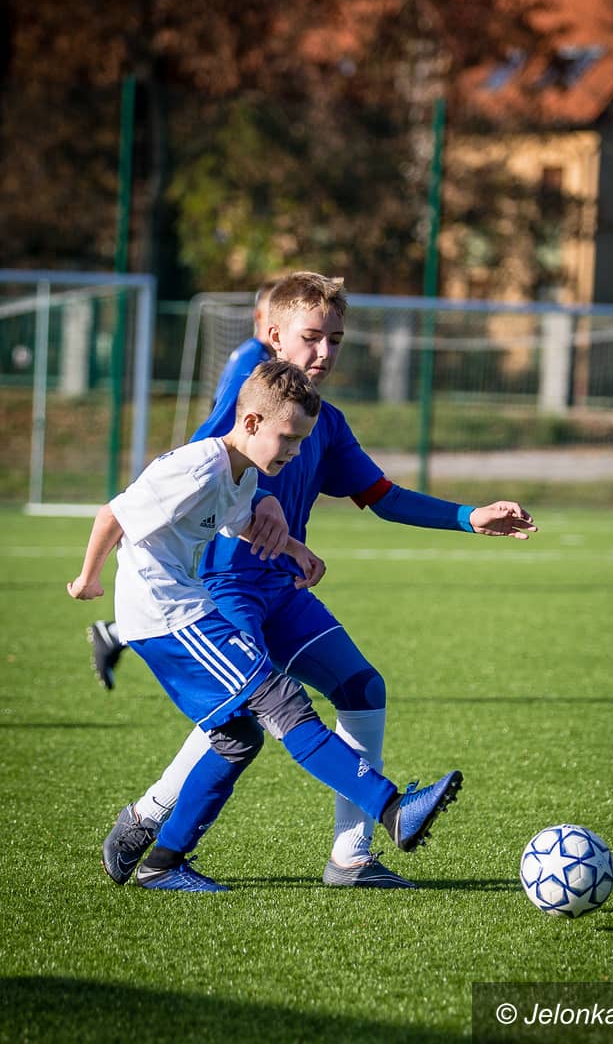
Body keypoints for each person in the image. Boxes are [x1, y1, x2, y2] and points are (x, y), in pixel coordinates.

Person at [98, 272, 536, 890]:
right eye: (312, 337)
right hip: (224, 590)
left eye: (336, 340)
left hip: (282, 591)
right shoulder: (248, 398)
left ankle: (351, 858)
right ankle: (151, 826)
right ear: (274, 336)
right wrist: (255, 502)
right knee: (241, 718)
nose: (325, 352)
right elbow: (199, 465)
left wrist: (470, 516)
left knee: (361, 687)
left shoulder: (324, 422)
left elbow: (383, 496)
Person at [68, 359, 463, 893]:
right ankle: (393, 810)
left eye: (301, 442)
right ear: (251, 422)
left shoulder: (243, 474)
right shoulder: (196, 466)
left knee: (238, 737)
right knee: (280, 700)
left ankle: (162, 862)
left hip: (185, 609)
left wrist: (296, 549)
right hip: (165, 614)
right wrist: (87, 579)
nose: (294, 452)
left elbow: (241, 524)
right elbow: (111, 515)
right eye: (289, 439)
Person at [87, 279, 280, 691]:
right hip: (208, 487)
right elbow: (216, 428)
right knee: (200, 600)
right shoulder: (253, 359)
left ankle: (116, 633)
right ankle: (121, 632)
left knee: (194, 582)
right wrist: (88, 578)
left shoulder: (259, 363)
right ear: (262, 319)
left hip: (225, 488)